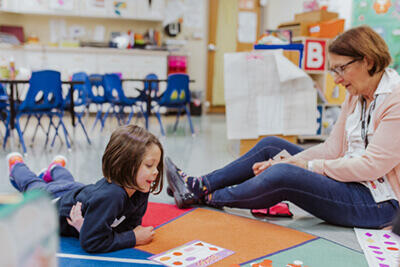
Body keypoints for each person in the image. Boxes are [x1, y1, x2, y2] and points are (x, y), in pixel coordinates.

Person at [166, 25, 400, 229]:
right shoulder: (356, 93)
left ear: (368, 61)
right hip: (350, 180)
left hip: (377, 202)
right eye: (333, 70)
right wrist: (290, 160)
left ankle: (210, 197)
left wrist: (305, 165)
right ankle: (198, 186)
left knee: (283, 174)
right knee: (271, 147)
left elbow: (372, 166)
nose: (336, 79)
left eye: (341, 69)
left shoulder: (395, 98)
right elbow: (333, 148)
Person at [7, 125, 164, 253]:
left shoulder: (142, 187)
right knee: (33, 184)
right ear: (124, 165)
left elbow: (129, 225)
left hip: (78, 191)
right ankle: (16, 164)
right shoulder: (112, 196)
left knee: (66, 181)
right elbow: (92, 242)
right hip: (50, 202)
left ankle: (54, 168)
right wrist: (133, 238)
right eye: (149, 165)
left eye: (157, 165)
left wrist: (87, 227)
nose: (156, 171)